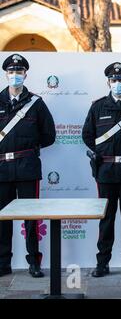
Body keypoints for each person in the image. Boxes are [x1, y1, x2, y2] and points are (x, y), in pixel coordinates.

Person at [82, 62, 121, 278]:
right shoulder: (98, 106)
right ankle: (102, 263)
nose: (117, 83)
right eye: (113, 80)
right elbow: (87, 135)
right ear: (108, 82)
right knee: (106, 218)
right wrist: (98, 153)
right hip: (106, 172)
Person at [0, 53, 56, 278]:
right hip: (1, 169)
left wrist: (29, 150)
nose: (15, 76)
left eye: (19, 72)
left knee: (31, 219)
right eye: (11, 72)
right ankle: (3, 263)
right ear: (6, 74)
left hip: (27, 168)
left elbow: (49, 135)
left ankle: (34, 262)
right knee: (2, 219)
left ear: (25, 74)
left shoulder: (36, 103)